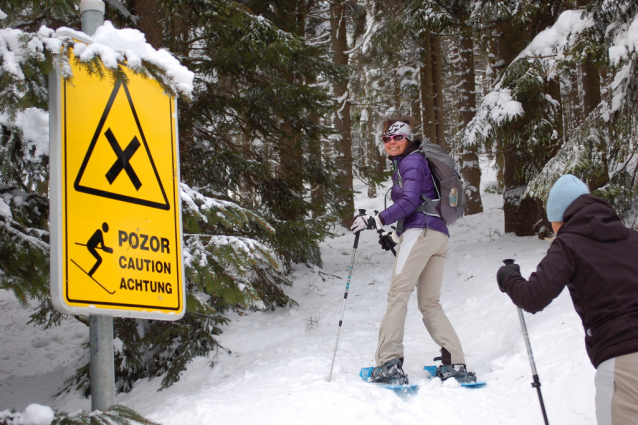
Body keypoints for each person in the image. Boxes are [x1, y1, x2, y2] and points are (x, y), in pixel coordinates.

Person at [497, 174, 638, 425]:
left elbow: (533, 297)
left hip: (623, 361)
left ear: (560, 219)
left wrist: (509, 278)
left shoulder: (569, 243)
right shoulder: (632, 237)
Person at [351, 117, 474, 385]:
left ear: (407, 138)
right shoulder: (415, 162)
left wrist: (377, 219)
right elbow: (420, 203)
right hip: (436, 235)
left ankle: (388, 363)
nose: (392, 142)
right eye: (387, 139)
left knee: (398, 295)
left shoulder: (411, 161)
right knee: (430, 303)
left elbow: (408, 202)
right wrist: (396, 236)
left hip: (422, 233)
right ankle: (456, 362)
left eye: (397, 138)